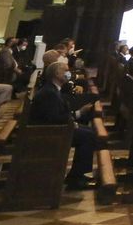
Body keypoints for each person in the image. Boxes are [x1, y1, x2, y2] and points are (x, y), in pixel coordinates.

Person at [29, 60, 100, 190]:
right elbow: (54, 118)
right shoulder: (50, 93)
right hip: (48, 133)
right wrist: (73, 121)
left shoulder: (53, 89)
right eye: (66, 71)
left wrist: (76, 117)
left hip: (53, 128)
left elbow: (57, 114)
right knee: (88, 136)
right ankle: (76, 179)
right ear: (56, 74)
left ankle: (77, 175)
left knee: (89, 132)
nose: (69, 73)